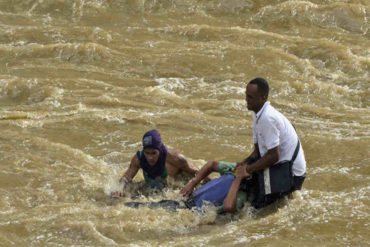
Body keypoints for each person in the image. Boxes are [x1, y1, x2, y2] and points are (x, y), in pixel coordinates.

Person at [181, 77, 307, 211]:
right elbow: (257, 153)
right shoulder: (257, 113)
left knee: (255, 207)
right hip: (275, 163)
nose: (246, 99)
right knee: (249, 184)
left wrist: (247, 171)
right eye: (246, 95)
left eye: (251, 97)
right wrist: (243, 164)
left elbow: (273, 156)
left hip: (290, 173)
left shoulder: (267, 118)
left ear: (262, 98)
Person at [111, 129, 199, 197]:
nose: (150, 157)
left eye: (153, 153)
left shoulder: (175, 158)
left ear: (160, 150)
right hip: (153, 188)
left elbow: (199, 173)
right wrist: (119, 190)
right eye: (147, 153)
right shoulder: (139, 159)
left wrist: (192, 185)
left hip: (175, 189)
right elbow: (126, 179)